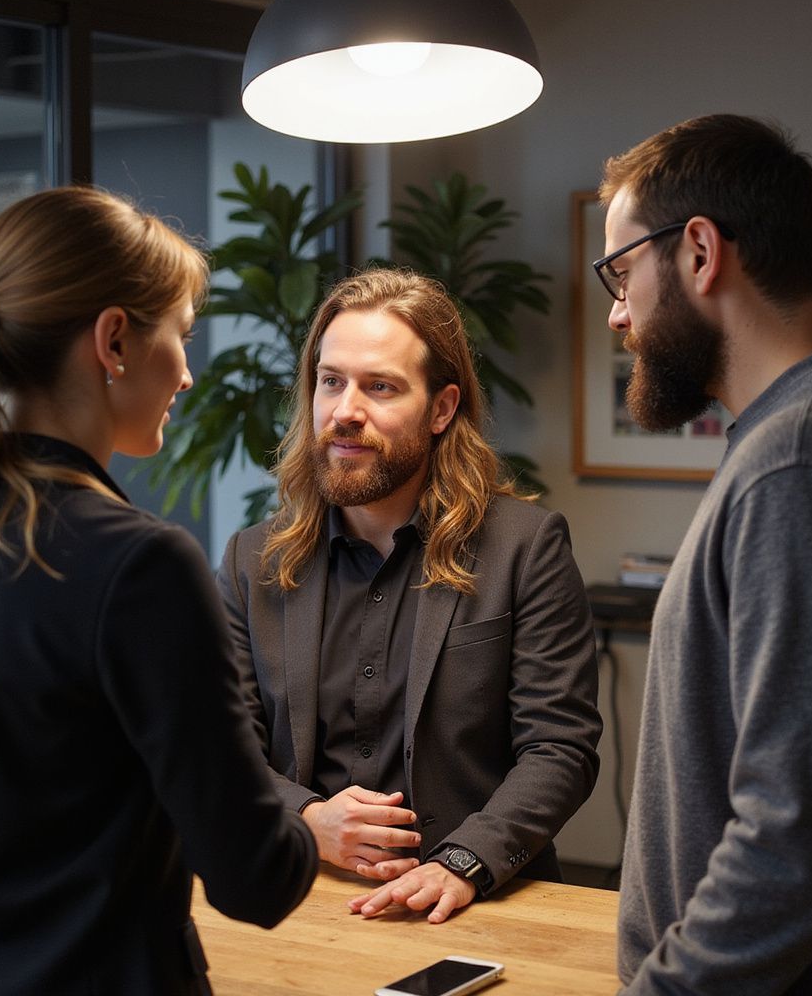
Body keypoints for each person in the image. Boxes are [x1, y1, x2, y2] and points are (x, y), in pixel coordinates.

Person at [0, 186, 318, 995]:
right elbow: (254, 878)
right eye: (182, 338)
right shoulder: (138, 565)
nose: (188, 375)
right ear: (114, 340)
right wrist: (302, 822)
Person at [597, 114, 812, 994]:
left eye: (622, 275)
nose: (618, 314)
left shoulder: (804, 461)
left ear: (699, 252)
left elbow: (805, 837)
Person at [217, 267, 601, 925]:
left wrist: (465, 862)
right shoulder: (253, 560)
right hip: (304, 899)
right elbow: (222, 749)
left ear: (442, 409)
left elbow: (560, 747)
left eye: (381, 387)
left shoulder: (525, 547)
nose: (345, 412)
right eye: (330, 382)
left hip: (476, 902)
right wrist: (308, 817)